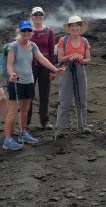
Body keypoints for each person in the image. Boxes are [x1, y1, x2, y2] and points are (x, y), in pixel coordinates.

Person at [2, 21, 65, 151]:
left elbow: (42, 59)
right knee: (13, 111)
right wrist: (11, 74)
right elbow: (9, 64)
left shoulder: (32, 46)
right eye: (24, 31)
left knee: (25, 110)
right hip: (16, 82)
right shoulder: (13, 46)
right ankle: (7, 140)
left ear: (31, 32)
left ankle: (23, 134)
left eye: (29, 31)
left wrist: (55, 69)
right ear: (19, 31)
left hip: (29, 81)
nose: (26, 33)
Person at [55, 15, 91, 137]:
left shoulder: (84, 41)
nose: (75, 28)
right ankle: (61, 129)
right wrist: (70, 57)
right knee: (65, 101)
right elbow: (59, 58)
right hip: (66, 72)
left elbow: (88, 59)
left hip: (80, 71)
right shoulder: (63, 40)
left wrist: (81, 59)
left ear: (80, 27)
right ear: (69, 28)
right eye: (73, 26)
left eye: (77, 25)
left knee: (81, 100)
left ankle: (82, 126)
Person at [27, 6, 55, 130]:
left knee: (44, 95)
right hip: (29, 67)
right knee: (28, 95)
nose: (38, 17)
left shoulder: (49, 31)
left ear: (43, 16)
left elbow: (51, 51)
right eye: (36, 15)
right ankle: (25, 122)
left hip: (45, 67)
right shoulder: (27, 31)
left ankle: (45, 121)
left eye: (40, 14)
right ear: (32, 16)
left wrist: (52, 69)